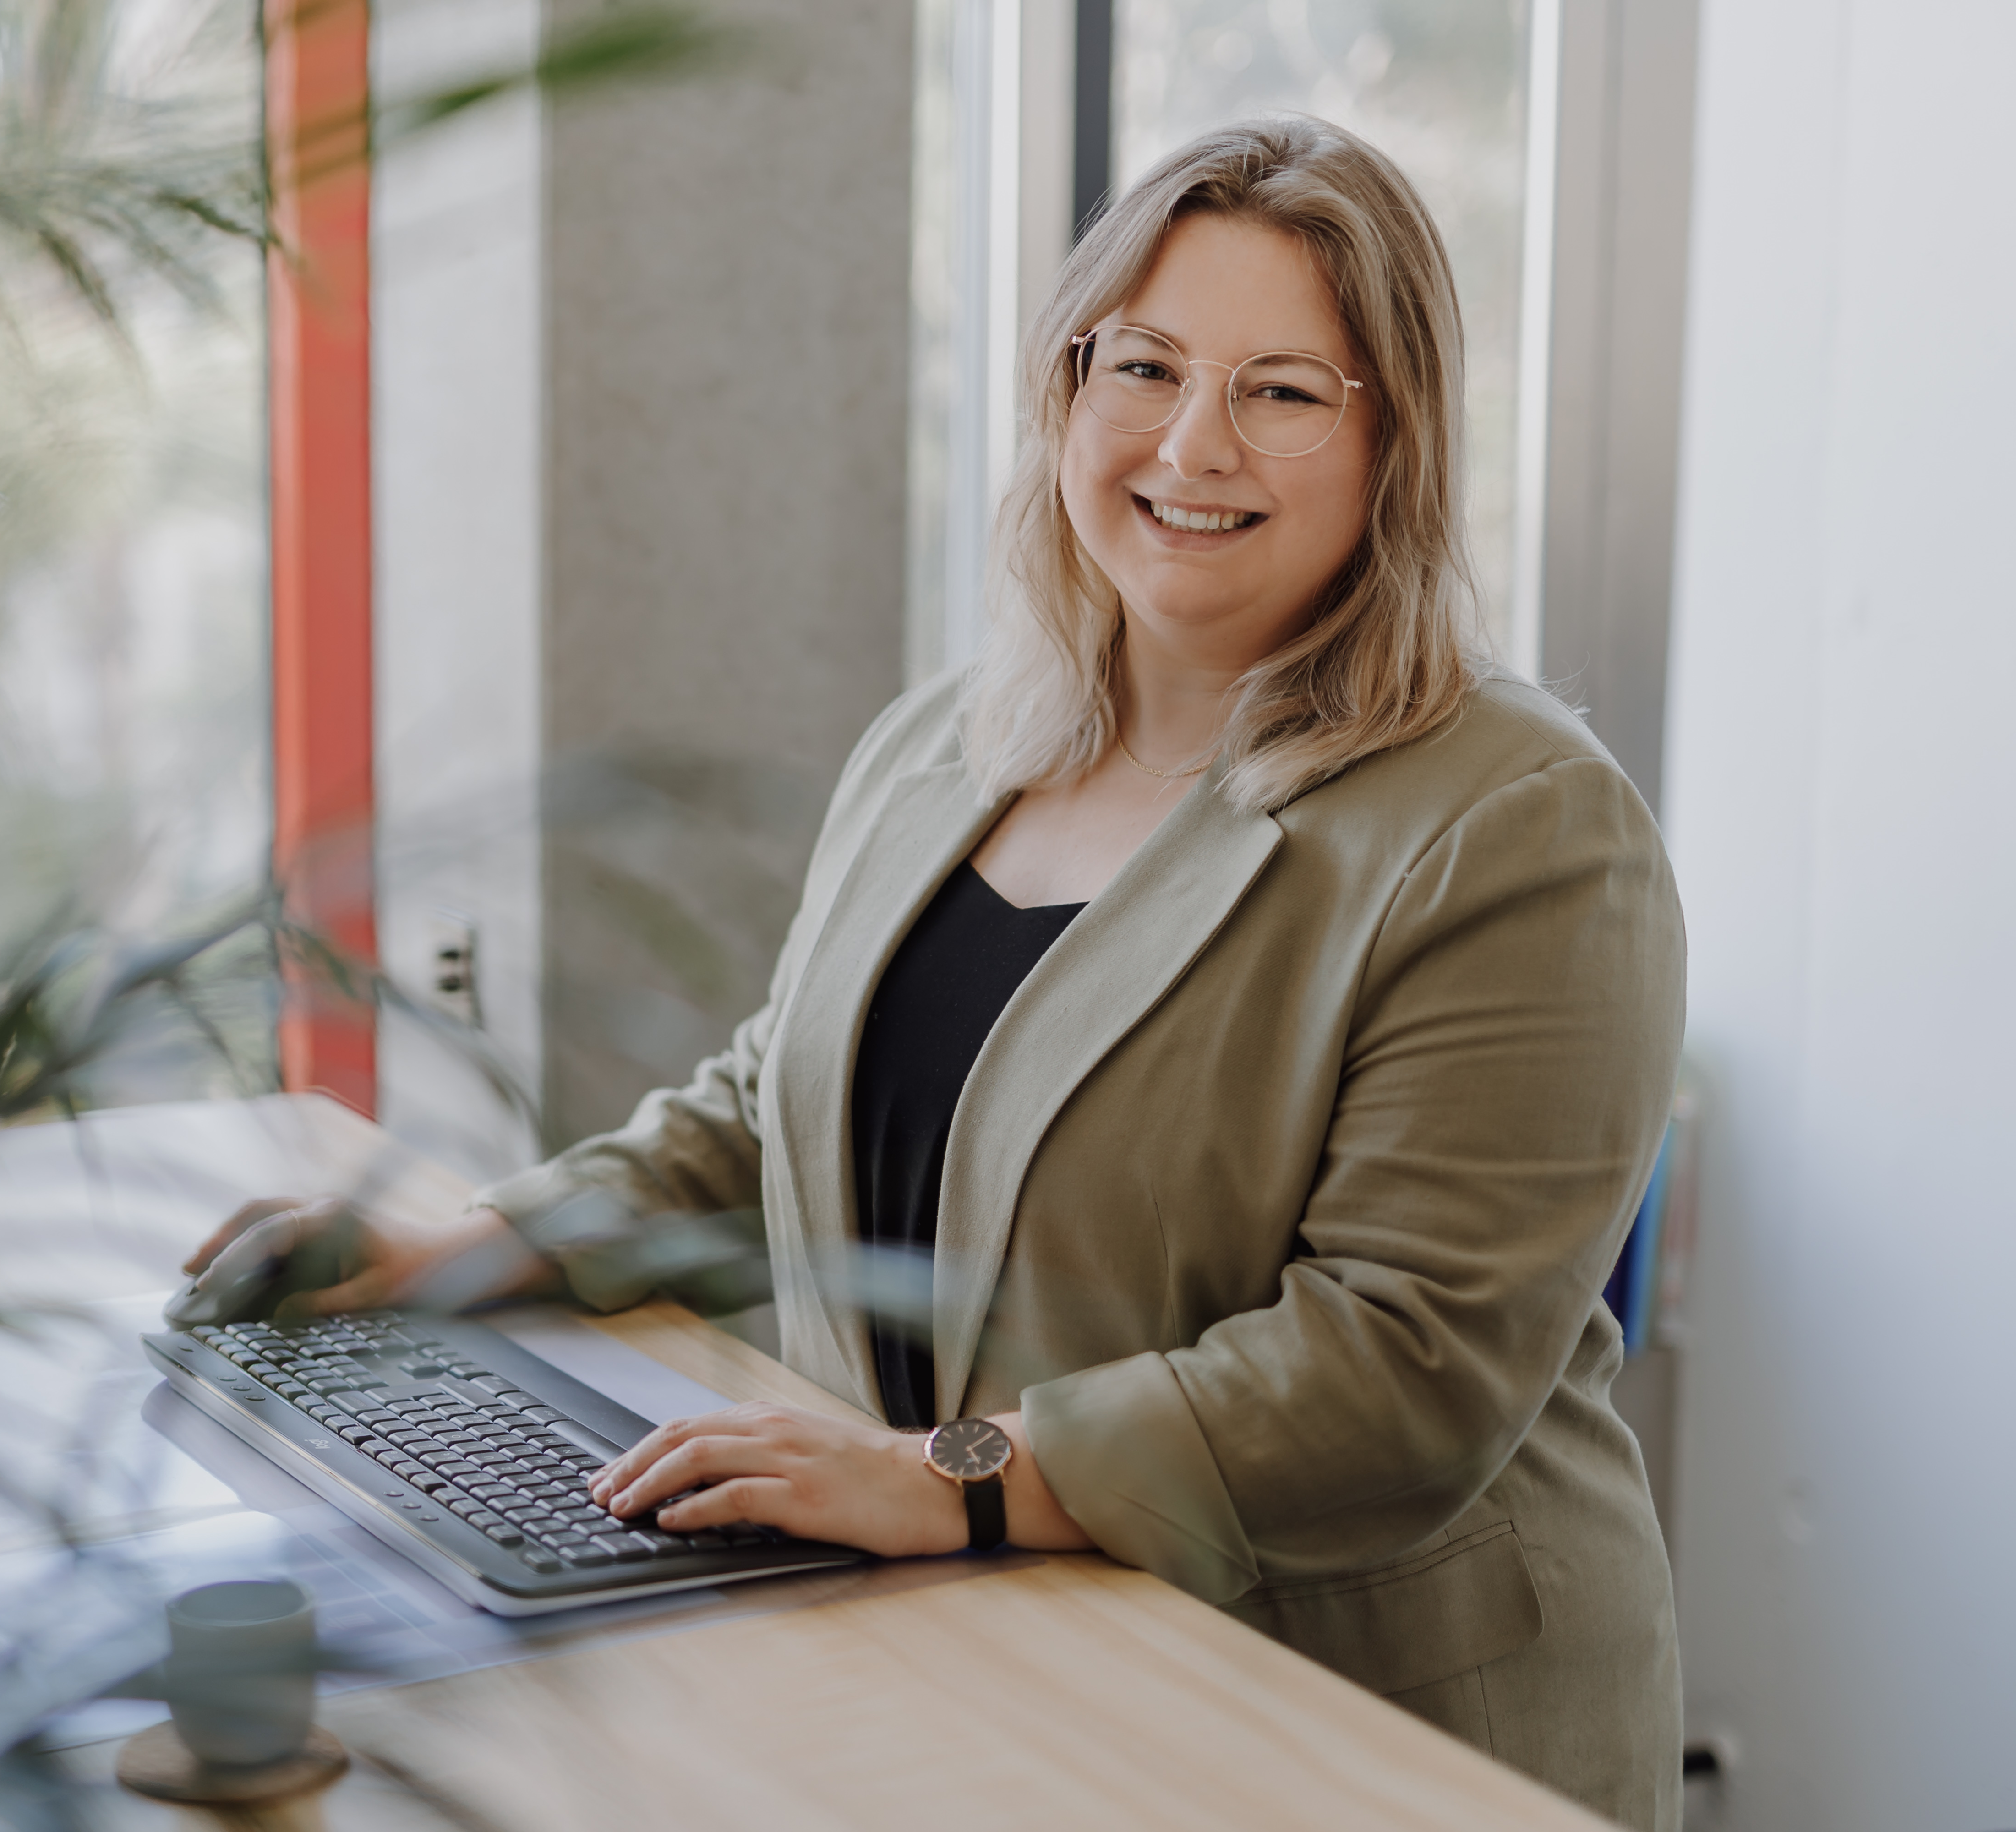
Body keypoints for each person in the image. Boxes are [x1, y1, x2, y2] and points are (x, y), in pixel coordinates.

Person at [187, 116, 1683, 1828]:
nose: (1193, 444)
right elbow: (773, 1105)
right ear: (1067, 387)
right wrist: (467, 1249)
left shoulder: (1520, 826)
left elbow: (1401, 1364)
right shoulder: (947, 744)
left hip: (1347, 1715)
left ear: (1393, 443)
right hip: (978, 1645)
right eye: (1145, 366)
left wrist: (949, 1476)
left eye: (1282, 391)